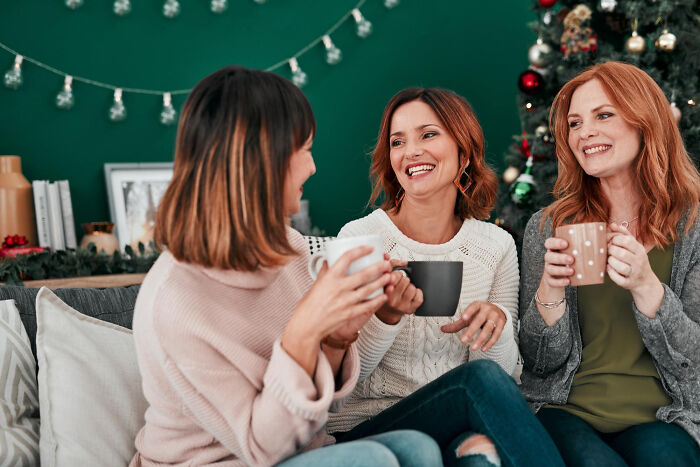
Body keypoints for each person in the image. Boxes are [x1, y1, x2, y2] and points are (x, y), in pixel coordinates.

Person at [129, 66, 444, 467]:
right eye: (304, 150)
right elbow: (265, 449)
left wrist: (335, 339)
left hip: (298, 451)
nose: (312, 168)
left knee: (417, 448)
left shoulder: (289, 248)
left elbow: (317, 415)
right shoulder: (173, 300)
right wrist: (305, 326)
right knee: (374, 459)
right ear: (261, 159)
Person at [327, 87, 564, 467]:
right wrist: (386, 318)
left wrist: (496, 328)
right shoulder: (361, 240)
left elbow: (504, 380)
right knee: (478, 383)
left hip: (453, 422)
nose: (411, 151)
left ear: (464, 153)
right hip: (365, 427)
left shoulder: (495, 245)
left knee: (481, 456)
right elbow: (336, 391)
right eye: (398, 141)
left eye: (428, 134)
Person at [519, 61, 700, 466]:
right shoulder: (549, 226)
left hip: (664, 416)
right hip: (565, 409)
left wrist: (646, 286)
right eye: (575, 123)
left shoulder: (693, 227)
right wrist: (550, 291)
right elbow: (538, 361)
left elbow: (695, 360)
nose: (585, 133)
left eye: (604, 115)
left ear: (644, 122)